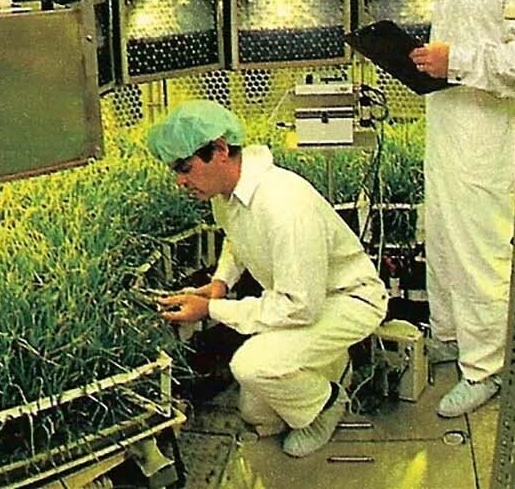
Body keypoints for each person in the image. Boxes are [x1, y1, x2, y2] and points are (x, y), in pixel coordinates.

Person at [330, 0, 515, 418]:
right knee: (442, 236)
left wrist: (458, 62)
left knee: (479, 250)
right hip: (450, 118)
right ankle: (451, 337)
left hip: (489, 131)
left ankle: (486, 368)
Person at [147, 99, 388, 457]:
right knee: (257, 414)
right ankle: (333, 367)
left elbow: (300, 307)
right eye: (175, 170)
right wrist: (221, 283)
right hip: (306, 299)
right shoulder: (228, 193)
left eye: (185, 167)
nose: (180, 181)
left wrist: (211, 309)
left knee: (252, 365)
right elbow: (236, 237)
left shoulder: (282, 205)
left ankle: (328, 403)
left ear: (220, 150)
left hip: (348, 300)